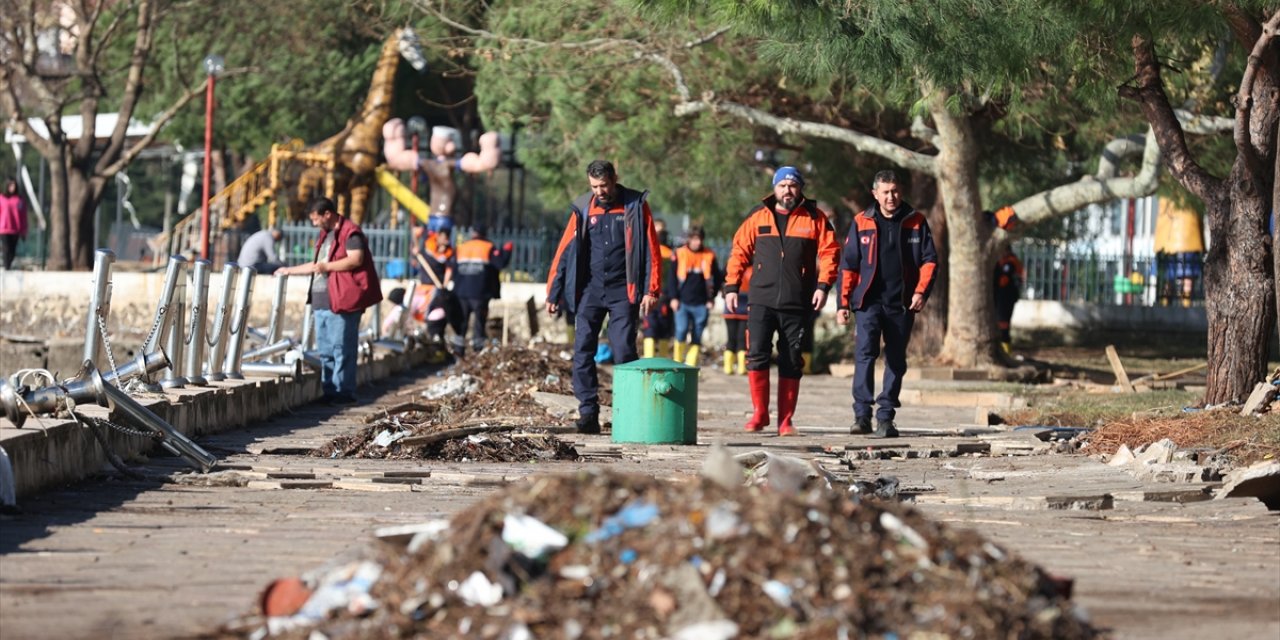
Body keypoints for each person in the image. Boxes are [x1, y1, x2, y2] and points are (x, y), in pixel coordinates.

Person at [547, 160, 661, 434]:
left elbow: (652, 250)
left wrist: (651, 289)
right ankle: (588, 413)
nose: (600, 191)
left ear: (614, 179)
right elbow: (564, 251)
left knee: (623, 349)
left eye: (604, 185)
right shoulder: (584, 208)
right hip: (590, 291)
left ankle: (627, 412)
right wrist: (554, 291)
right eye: (594, 186)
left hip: (625, 291)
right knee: (583, 350)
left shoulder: (635, 205)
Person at [724, 166, 839, 436]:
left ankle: (785, 421)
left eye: (793, 185)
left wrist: (823, 286)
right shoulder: (758, 216)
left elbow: (831, 252)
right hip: (760, 299)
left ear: (800, 189)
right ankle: (759, 413)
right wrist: (731, 286)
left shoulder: (815, 218)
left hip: (797, 302)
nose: (788, 190)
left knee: (791, 359)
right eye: (783, 185)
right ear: (774, 188)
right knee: (756, 355)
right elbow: (739, 251)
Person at [836, 170, 938, 438]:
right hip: (868, 303)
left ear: (900, 191)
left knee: (895, 360)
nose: (891, 197)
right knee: (865, 355)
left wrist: (920, 292)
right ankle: (861, 416)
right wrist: (843, 302)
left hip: (901, 304)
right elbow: (848, 265)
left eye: (895, 191)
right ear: (875, 194)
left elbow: (929, 260)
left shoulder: (915, 221)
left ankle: (885, 417)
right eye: (885, 192)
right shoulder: (861, 221)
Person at [276, 197, 382, 405]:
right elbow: (317, 265)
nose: (314, 224)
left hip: (342, 300)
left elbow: (356, 259)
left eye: (316, 219)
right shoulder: (325, 236)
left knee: (342, 347)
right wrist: (288, 270)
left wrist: (328, 267)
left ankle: (344, 391)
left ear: (328, 214)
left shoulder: (349, 232)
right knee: (325, 350)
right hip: (322, 301)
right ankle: (330, 391)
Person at [450, 225, 512, 355]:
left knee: (461, 323)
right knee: (479, 323)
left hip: (461, 292)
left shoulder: (461, 247)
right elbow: (500, 263)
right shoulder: (488, 247)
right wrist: (506, 251)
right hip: (480, 292)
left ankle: (458, 352)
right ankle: (478, 352)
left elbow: (452, 267)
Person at [669, 225, 721, 366]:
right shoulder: (679, 254)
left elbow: (717, 278)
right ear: (689, 240)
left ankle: (690, 365)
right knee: (681, 330)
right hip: (682, 303)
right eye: (694, 239)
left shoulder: (710, 255)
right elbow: (672, 278)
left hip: (702, 304)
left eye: (699, 239)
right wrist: (673, 298)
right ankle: (677, 363)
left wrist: (712, 298)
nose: (697, 242)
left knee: (697, 335)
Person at [642, 220, 676, 359]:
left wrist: (669, 295)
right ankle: (649, 361)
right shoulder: (646, 250)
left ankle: (662, 362)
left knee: (664, 330)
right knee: (650, 328)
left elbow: (671, 277)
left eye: (661, 231)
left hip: (664, 296)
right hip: (648, 295)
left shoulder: (670, 253)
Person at [722, 264, 751, 375]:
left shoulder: (733, 267)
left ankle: (736, 367)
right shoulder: (752, 268)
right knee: (735, 339)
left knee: (739, 339)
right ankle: (733, 367)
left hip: (742, 308)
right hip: (735, 307)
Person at [993, 244, 1024, 354]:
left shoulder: (1010, 263)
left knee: (1003, 323)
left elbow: (1003, 280)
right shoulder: (1003, 262)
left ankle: (1006, 351)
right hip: (1001, 296)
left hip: (1006, 296)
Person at [0, 179, 28, 270]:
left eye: (14, 185)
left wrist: (24, 230)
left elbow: (23, 216)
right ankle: (6, 267)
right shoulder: (1, 198)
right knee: (6, 248)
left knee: (12, 250)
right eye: (11, 185)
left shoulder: (20, 200)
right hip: (4, 228)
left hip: (15, 229)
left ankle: (8, 265)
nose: (13, 187)